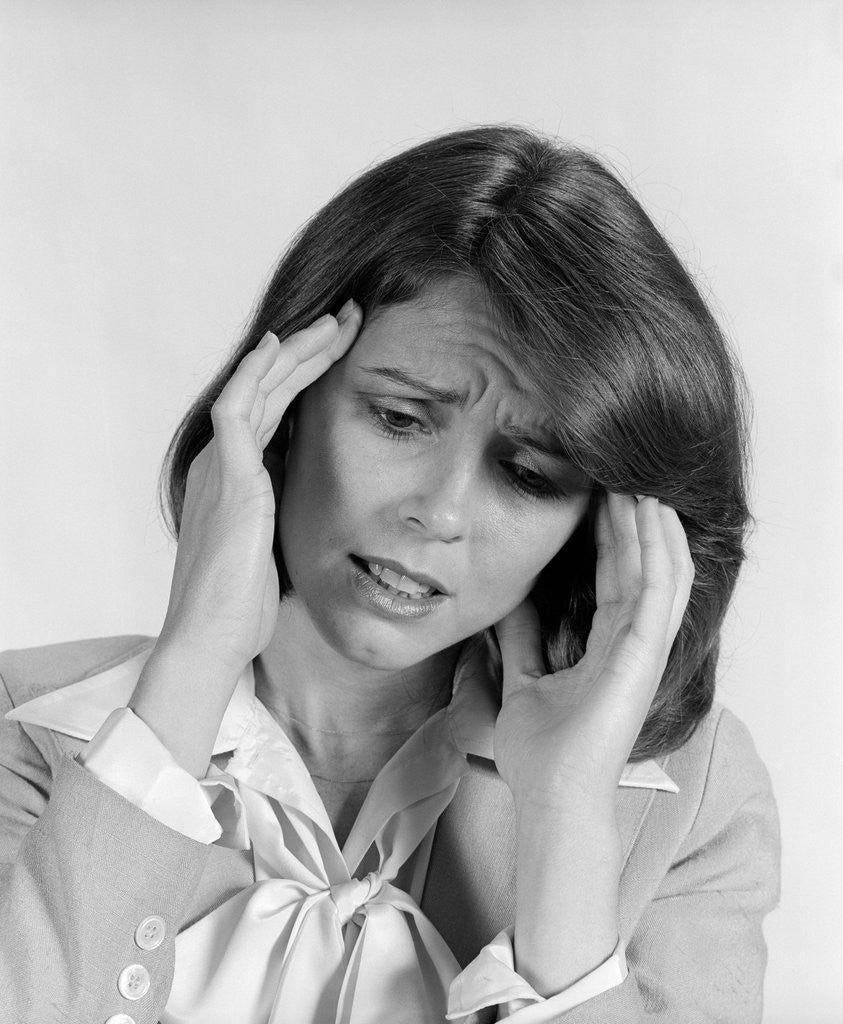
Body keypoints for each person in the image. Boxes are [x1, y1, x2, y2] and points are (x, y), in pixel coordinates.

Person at [0, 125, 779, 1024]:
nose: (439, 514)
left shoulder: (692, 799)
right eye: (401, 419)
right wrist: (183, 684)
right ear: (283, 402)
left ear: (598, 521)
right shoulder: (29, 729)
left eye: (528, 476)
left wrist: (566, 819)